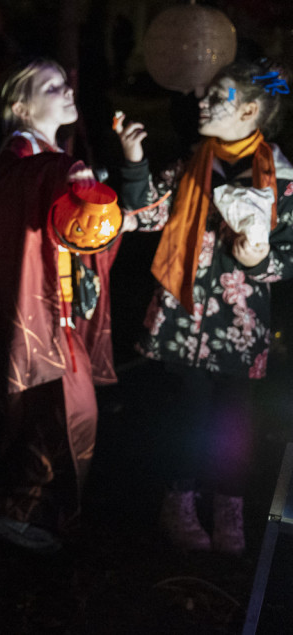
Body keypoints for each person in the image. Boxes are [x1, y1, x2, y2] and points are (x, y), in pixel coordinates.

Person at [115, 58, 293, 556]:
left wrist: (258, 260)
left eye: (218, 97)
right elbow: (145, 212)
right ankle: (180, 501)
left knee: (233, 420)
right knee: (186, 412)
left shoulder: (281, 179)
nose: (203, 103)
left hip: (240, 322)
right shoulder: (194, 164)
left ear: (249, 111)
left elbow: (288, 252)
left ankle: (228, 506)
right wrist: (133, 158)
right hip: (184, 315)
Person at [0, 59, 131, 553]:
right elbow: (10, 186)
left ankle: (34, 510)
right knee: (53, 411)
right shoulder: (22, 154)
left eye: (66, 82)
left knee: (67, 412)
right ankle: (14, 509)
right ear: (21, 107)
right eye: (51, 86)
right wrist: (61, 173)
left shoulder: (54, 155)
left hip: (59, 312)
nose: (67, 90)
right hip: (37, 316)